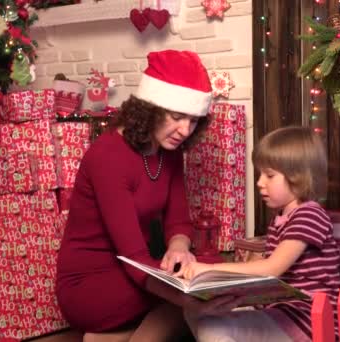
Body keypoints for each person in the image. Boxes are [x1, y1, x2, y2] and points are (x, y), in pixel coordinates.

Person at [56, 50, 218, 341]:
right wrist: (193, 299)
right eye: (177, 117)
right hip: (90, 283)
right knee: (191, 307)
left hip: (136, 271)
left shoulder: (168, 152)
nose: (184, 130)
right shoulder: (108, 156)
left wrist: (179, 247)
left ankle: (108, 336)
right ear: (149, 108)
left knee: (195, 297)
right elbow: (133, 257)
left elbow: (179, 222)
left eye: (193, 121)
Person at [180, 126, 340, 342]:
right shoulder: (283, 216)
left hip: (306, 321)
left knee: (214, 326)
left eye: (269, 175)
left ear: (298, 176)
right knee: (195, 310)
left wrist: (209, 270)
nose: (259, 183)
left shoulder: (309, 214)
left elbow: (272, 268)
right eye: (260, 174)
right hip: (282, 312)